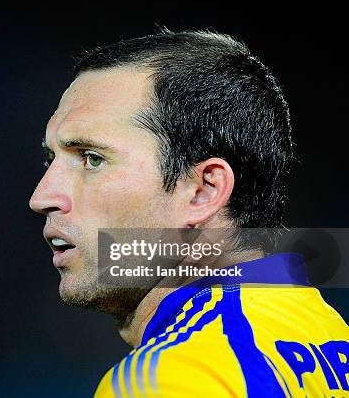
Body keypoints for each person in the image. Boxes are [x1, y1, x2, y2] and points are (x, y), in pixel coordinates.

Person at [29, 30, 349, 397]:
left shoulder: (168, 378)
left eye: (92, 159)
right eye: (50, 159)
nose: (42, 197)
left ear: (203, 192)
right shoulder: (329, 338)